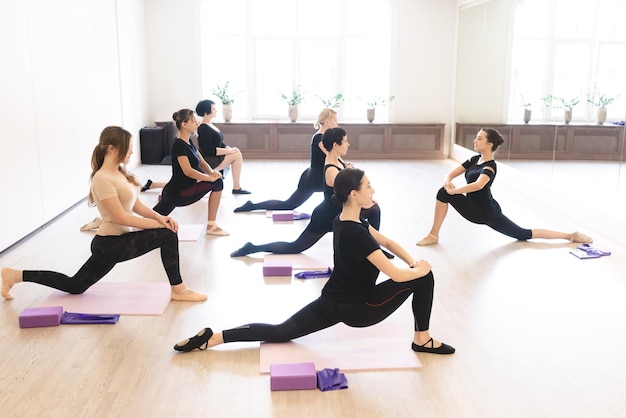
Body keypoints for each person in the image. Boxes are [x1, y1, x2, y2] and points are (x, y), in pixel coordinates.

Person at [174, 168, 455, 354]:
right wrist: (420, 268)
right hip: (362, 308)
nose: (374, 191)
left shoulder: (344, 220)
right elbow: (394, 274)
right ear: (354, 194)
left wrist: (412, 260)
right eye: (369, 186)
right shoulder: (356, 233)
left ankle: (214, 337)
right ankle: (422, 340)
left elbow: (389, 243)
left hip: (331, 301)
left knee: (280, 331)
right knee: (425, 278)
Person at [1, 126, 206, 302]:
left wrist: (160, 218)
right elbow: (120, 218)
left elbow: (137, 206)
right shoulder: (102, 178)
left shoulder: (121, 173)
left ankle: (14, 275)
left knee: (75, 285)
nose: (131, 152)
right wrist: (160, 226)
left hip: (117, 240)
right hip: (109, 244)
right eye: (128, 148)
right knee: (167, 235)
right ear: (112, 148)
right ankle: (178, 290)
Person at [416, 128, 593, 246]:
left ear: (489, 144)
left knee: (524, 234)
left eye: (479, 139)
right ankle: (433, 235)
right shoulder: (474, 160)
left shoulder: (490, 166)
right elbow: (452, 173)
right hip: (479, 207)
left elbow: (478, 185)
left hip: (486, 213)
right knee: (443, 191)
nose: (475, 141)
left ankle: (570, 236)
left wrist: (454, 191)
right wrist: (448, 180)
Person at [230, 127, 382, 257]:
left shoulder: (337, 159)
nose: (348, 144)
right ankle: (252, 248)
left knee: (374, 210)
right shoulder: (331, 170)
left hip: (339, 212)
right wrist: (365, 202)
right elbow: (345, 196)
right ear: (336, 145)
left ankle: (375, 249)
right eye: (346, 141)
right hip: (328, 215)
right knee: (295, 247)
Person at [234, 108, 338, 212]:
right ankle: (252, 206)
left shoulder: (324, 137)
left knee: (290, 204)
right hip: (314, 178)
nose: (337, 122)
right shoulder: (319, 138)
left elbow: (333, 158)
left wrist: (344, 165)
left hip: (317, 175)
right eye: (335, 119)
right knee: (288, 205)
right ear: (327, 122)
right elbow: (330, 155)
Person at [153, 109, 229, 236]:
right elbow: (188, 171)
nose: (197, 123)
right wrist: (208, 178)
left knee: (151, 221)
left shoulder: (189, 143)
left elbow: (202, 163)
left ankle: (211, 226)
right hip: (177, 193)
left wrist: (212, 173)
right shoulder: (178, 145)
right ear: (184, 124)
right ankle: (211, 226)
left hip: (176, 191)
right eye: (193, 121)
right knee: (217, 183)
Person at [195, 99, 250, 195]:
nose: (216, 110)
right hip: (209, 160)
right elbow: (209, 150)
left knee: (236, 153)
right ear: (205, 112)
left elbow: (219, 143)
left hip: (214, 157)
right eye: (213, 109)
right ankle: (236, 187)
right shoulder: (203, 128)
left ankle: (237, 187)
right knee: (237, 155)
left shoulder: (210, 125)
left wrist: (229, 148)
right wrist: (229, 151)